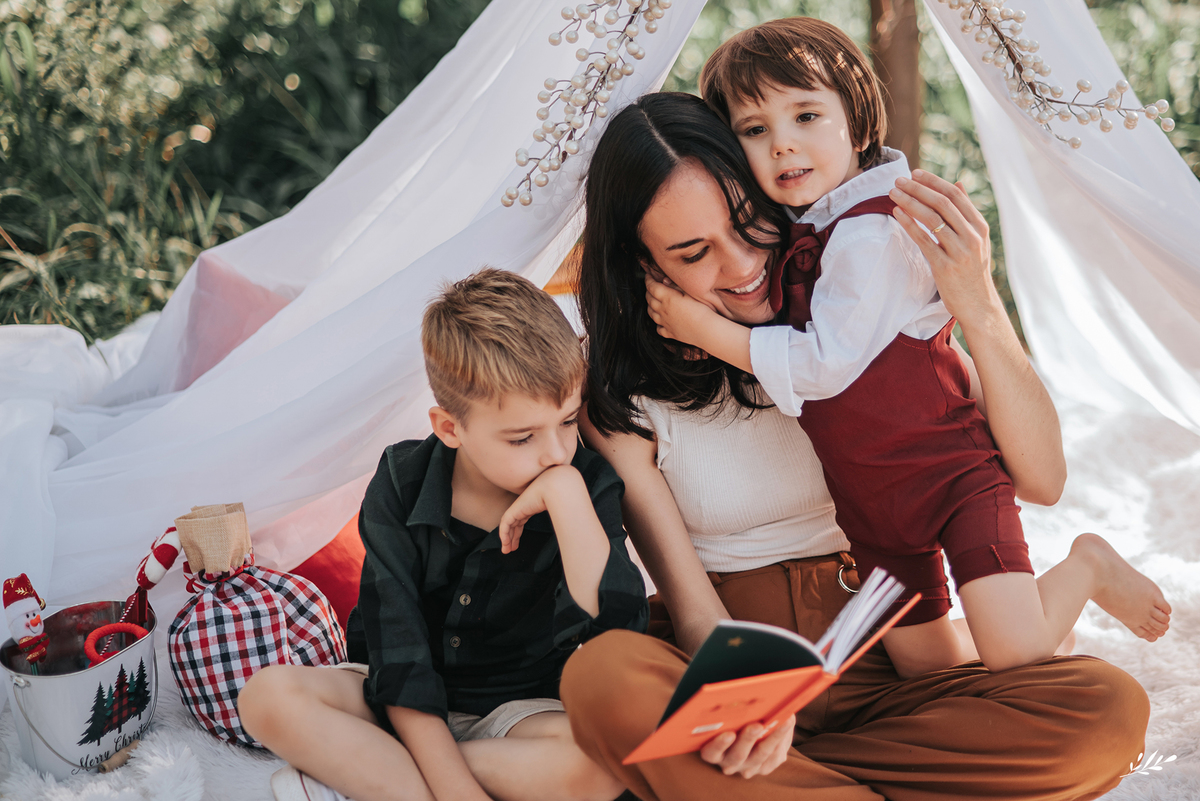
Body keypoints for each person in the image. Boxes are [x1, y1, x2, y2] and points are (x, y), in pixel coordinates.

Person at [560, 91, 1150, 801]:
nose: (744, 265)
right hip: (736, 659)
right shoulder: (619, 389)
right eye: (693, 253)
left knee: (1106, 707)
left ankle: (789, 789)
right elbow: (690, 607)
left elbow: (1044, 479)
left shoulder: (859, 314)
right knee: (601, 675)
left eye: (751, 226)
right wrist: (748, 695)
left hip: (883, 653)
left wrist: (980, 308)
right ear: (645, 265)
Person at [639, 18, 1169, 677]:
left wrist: (704, 330)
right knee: (927, 669)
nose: (782, 145)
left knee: (1014, 648)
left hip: (951, 477)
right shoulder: (810, 235)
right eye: (754, 129)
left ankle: (1087, 564)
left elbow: (823, 364)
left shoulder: (873, 235)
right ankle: (1027, 652)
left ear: (860, 127)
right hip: (873, 507)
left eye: (806, 115)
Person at [238, 269, 647, 801]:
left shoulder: (583, 482)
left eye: (568, 422)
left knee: (603, 768)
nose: (556, 451)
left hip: (518, 714)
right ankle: (397, 772)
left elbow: (618, 629)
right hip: (391, 696)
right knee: (266, 697)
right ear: (450, 428)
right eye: (522, 437)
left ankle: (368, 775)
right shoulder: (402, 482)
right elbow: (398, 652)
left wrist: (567, 495)